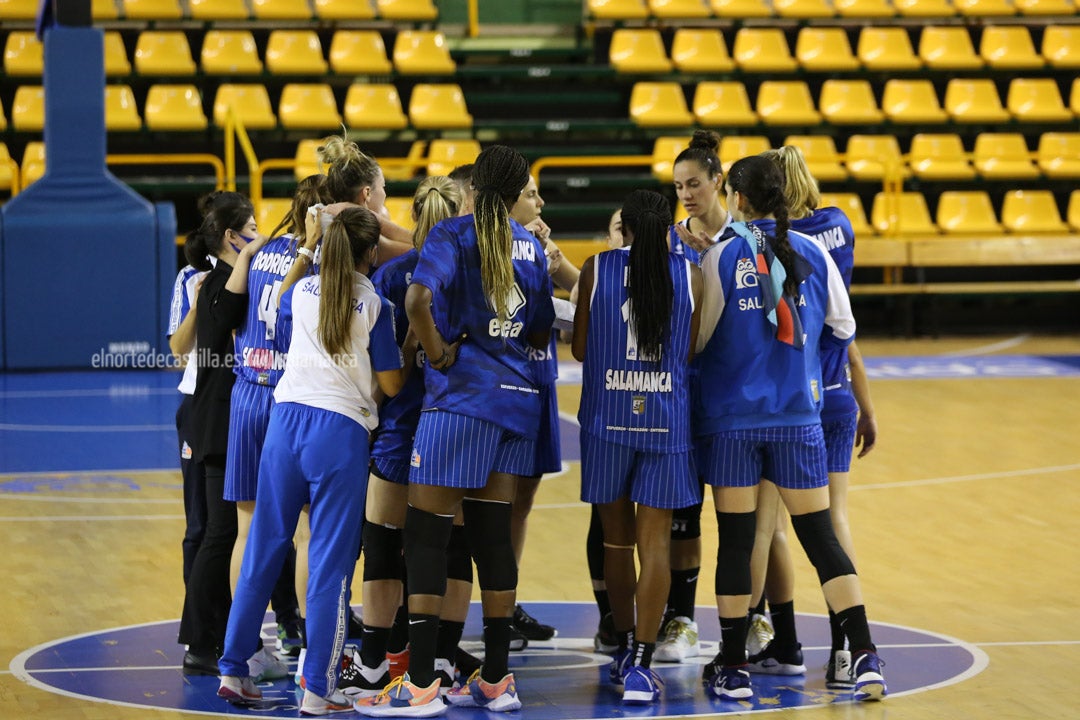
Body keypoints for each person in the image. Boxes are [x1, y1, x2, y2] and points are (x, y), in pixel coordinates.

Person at [356, 145, 555, 717]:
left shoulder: (453, 236)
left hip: (458, 407)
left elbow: (418, 298)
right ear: (517, 192)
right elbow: (542, 330)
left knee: (426, 537)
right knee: (492, 541)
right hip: (517, 407)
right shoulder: (530, 246)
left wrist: (438, 354)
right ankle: (495, 678)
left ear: (474, 189)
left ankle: (419, 683)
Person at [694, 155, 885, 702]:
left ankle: (733, 667)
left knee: (736, 540)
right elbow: (842, 330)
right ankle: (865, 655)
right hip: (800, 418)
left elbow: (700, 338)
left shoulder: (721, 256)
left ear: (738, 198)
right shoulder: (814, 254)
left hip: (734, 420)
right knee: (820, 537)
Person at [216, 205, 408, 716]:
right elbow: (391, 385)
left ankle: (234, 668)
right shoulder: (375, 306)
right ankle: (319, 688)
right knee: (329, 566)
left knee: (263, 547)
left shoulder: (301, 291)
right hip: (338, 433)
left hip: (284, 424)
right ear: (372, 253)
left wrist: (304, 250)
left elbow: (277, 315)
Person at [741, 146, 878, 688]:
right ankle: (845, 650)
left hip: (795, 392)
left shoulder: (769, 243)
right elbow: (848, 333)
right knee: (831, 524)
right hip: (840, 385)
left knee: (768, 527)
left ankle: (757, 638)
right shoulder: (838, 227)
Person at [572, 189, 703, 704]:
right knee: (655, 547)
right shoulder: (688, 274)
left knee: (615, 544)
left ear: (622, 226)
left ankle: (624, 647)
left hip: (606, 420)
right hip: (666, 422)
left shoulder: (595, 269)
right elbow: (687, 353)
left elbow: (581, 349)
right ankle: (645, 664)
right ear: (667, 228)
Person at [338, 176, 466, 699]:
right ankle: (440, 657)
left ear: (414, 216)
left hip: (396, 428)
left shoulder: (390, 277)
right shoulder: (474, 274)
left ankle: (372, 660)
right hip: (452, 427)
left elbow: (381, 371)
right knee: (451, 547)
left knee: (383, 546)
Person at [225, 175, 333, 666]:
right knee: (310, 530)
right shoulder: (316, 260)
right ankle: (312, 647)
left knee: (248, 530)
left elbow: (233, 316)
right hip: (292, 400)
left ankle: (246, 649)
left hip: (246, 392)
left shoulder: (261, 249)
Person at [178, 191, 268, 676]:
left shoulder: (216, 281)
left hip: (217, 418)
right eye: (252, 226)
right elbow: (232, 311)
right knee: (219, 533)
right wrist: (255, 253)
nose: (260, 231)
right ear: (233, 236)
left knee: (221, 532)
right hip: (217, 422)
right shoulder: (219, 286)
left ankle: (214, 635)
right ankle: (199, 638)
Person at [653, 130, 733, 665]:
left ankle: (753, 620)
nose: (686, 193)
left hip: (736, 396)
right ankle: (682, 618)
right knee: (686, 513)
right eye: (679, 185)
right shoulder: (669, 240)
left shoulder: (747, 241)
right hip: (684, 394)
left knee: (742, 518)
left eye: (695, 184)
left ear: (719, 181)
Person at [505, 173, 578, 645]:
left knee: (523, 503)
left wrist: (552, 264)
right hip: (505, 388)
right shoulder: (490, 247)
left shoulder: (537, 247)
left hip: (541, 381)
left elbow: (572, 313)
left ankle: (506, 603)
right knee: (485, 508)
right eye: (531, 193)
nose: (541, 201)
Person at [167, 259, 209, 590]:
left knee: (252, 522)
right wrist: (196, 307)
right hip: (198, 406)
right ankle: (195, 621)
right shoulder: (191, 277)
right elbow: (179, 353)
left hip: (242, 404)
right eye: (249, 228)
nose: (255, 235)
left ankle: (285, 615)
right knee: (198, 523)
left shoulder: (255, 267)